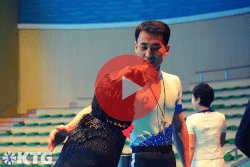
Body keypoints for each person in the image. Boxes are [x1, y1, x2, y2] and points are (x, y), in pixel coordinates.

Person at [48, 20, 189, 167]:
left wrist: (187, 164)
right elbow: (97, 110)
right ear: (135, 47)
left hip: (168, 158)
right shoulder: (130, 83)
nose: (148, 54)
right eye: (143, 47)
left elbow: (179, 127)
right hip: (140, 158)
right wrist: (69, 127)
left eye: (155, 47)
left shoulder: (174, 82)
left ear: (166, 49)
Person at [186, 83, 227, 167]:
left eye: (193, 98)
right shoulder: (221, 117)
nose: (192, 101)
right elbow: (221, 142)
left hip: (199, 163)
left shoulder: (191, 119)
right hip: (218, 162)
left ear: (198, 100)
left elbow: (191, 147)